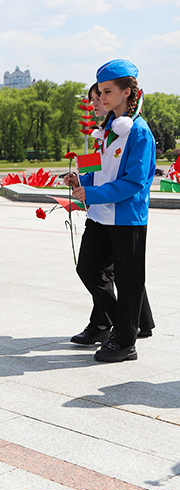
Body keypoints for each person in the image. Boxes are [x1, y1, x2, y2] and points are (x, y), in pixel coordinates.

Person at [65, 60, 156, 362]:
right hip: (99, 215)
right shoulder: (104, 129)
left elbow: (134, 182)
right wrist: (81, 181)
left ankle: (125, 342)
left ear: (127, 92)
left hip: (127, 217)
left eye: (107, 91)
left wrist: (91, 192)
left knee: (129, 281)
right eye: (99, 92)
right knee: (87, 268)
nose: (100, 98)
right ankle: (124, 323)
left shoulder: (140, 133)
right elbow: (93, 168)